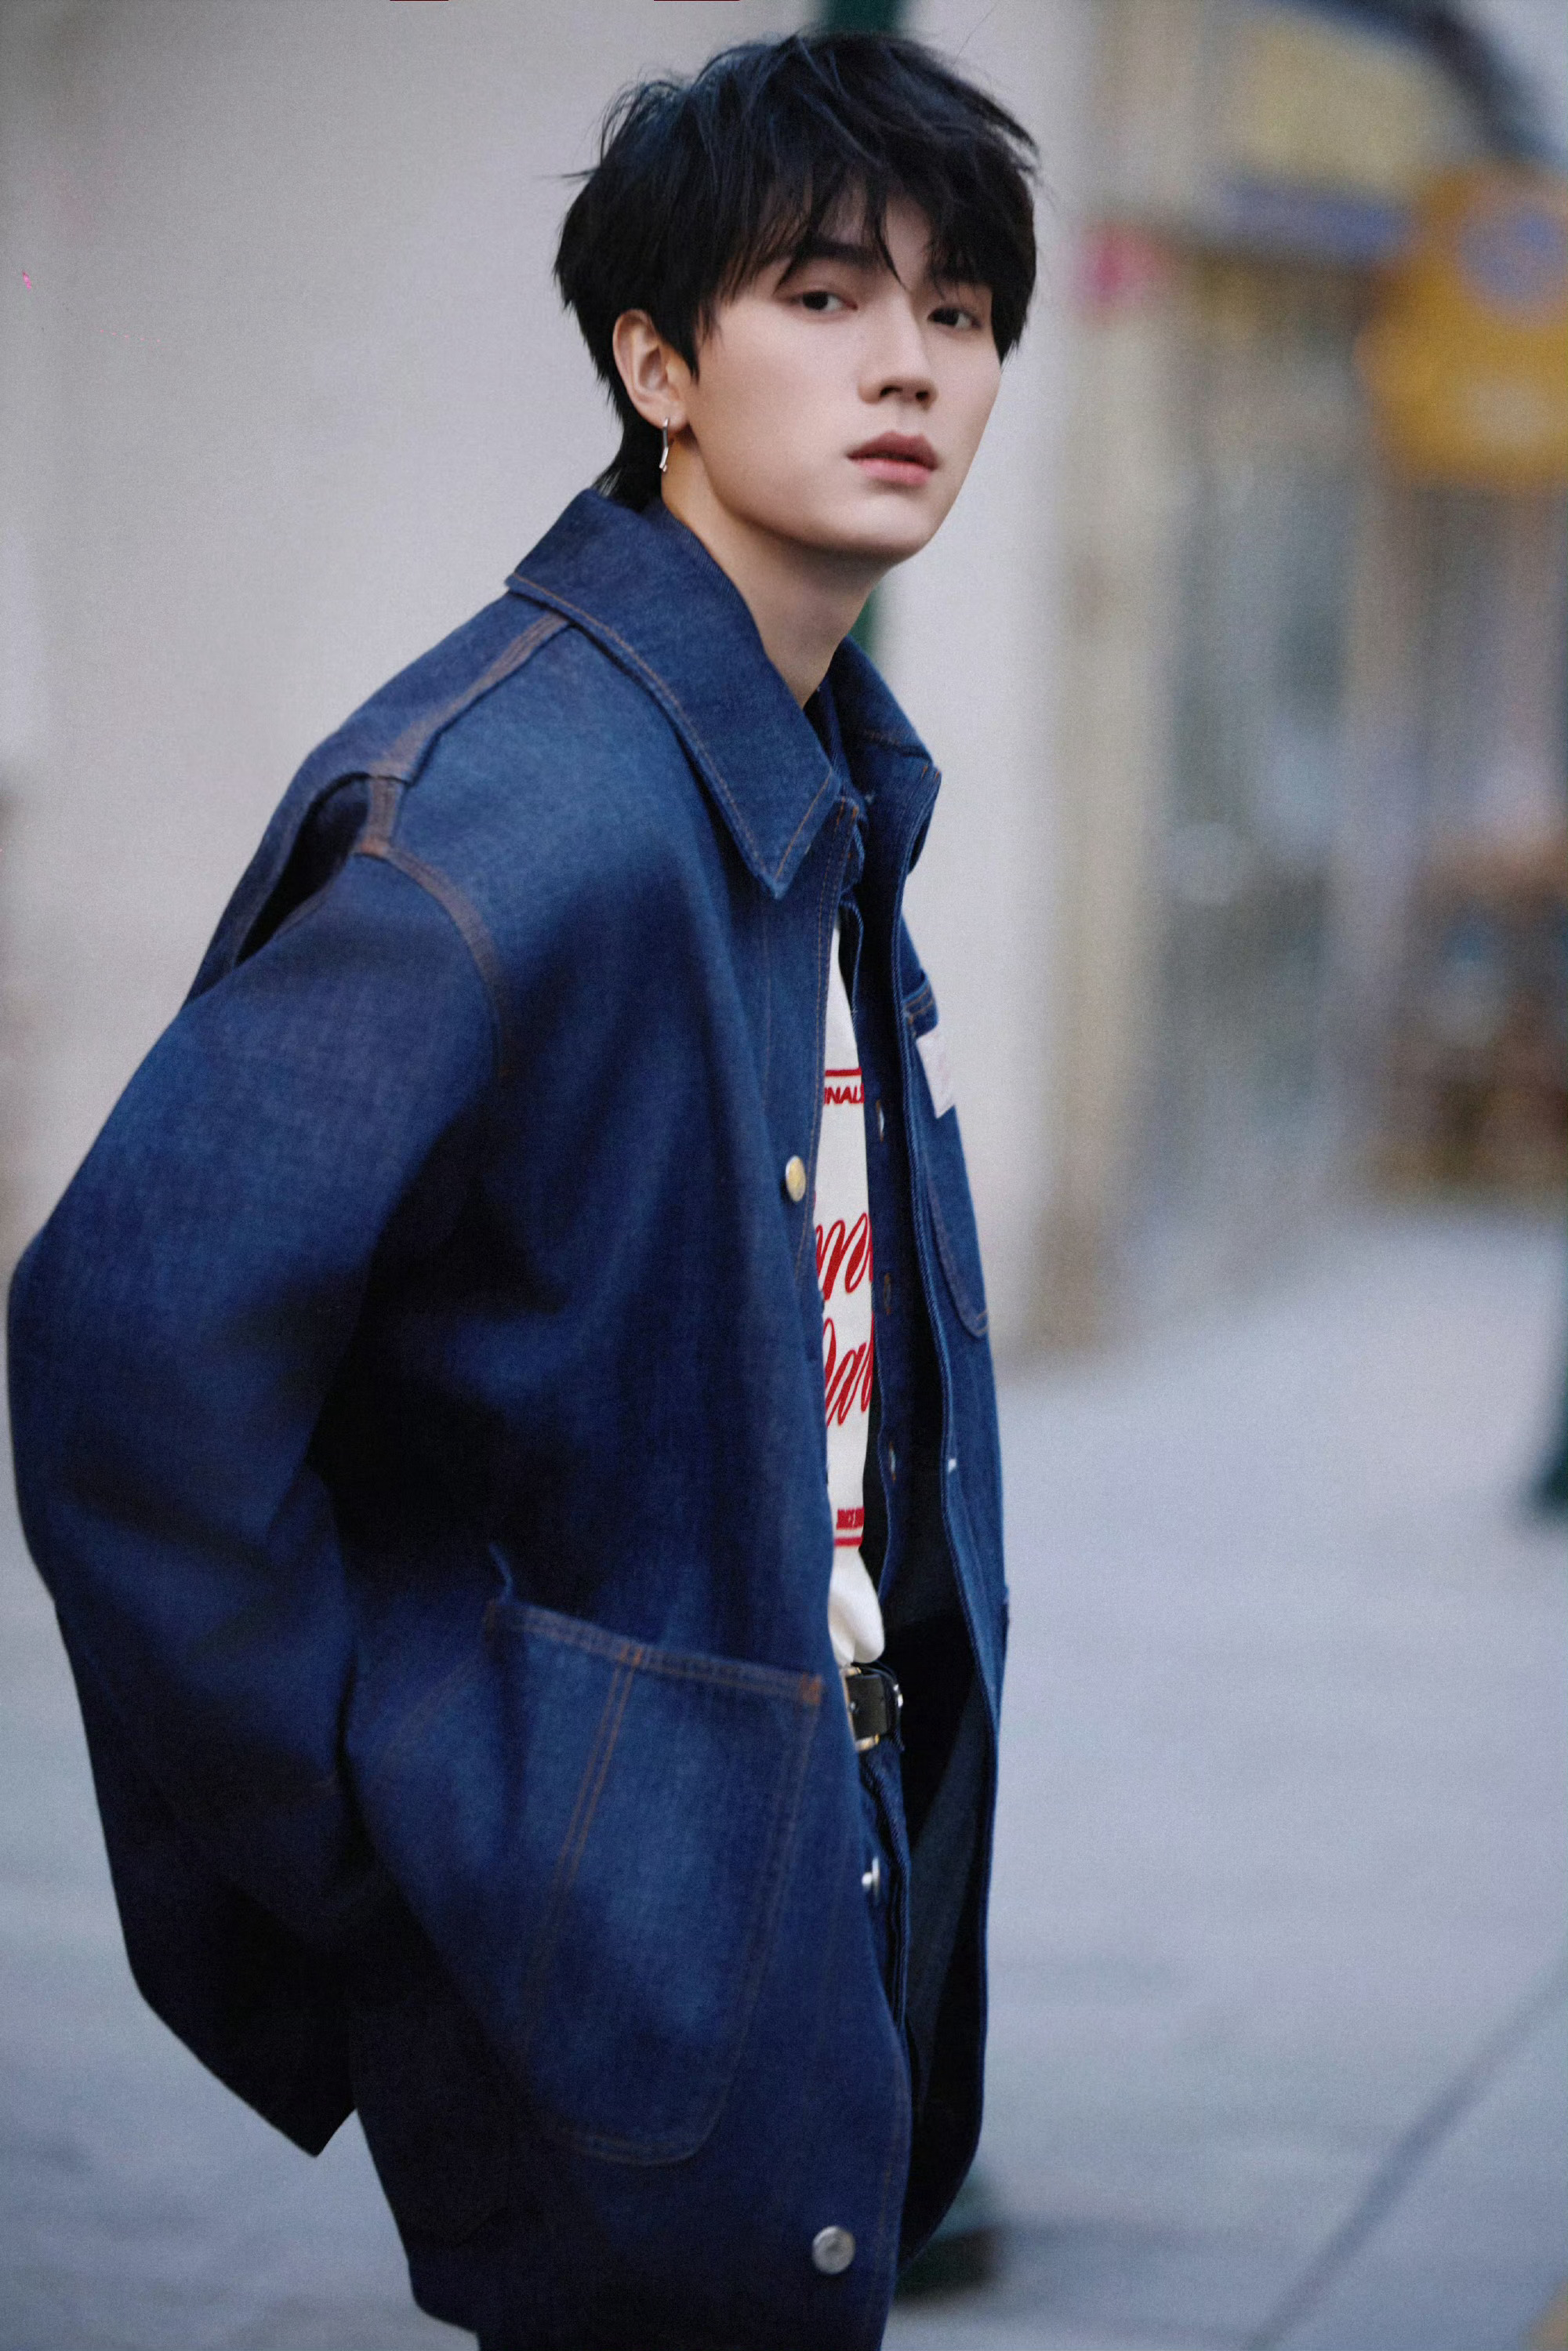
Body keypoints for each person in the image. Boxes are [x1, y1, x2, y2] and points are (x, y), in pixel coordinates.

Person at [7, 31, 1036, 2351]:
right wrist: (414, 1856)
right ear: (654, 363)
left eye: (961, 313)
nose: (910, 365)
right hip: (611, 1935)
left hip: (797, 1864)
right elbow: (126, 1365)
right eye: (823, 297)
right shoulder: (510, 810)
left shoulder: (807, 780)